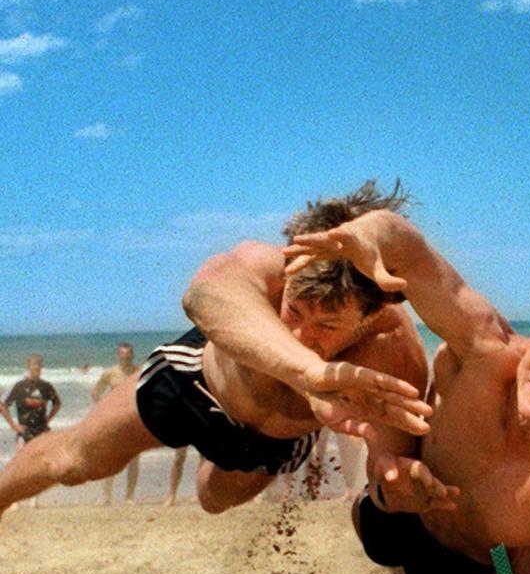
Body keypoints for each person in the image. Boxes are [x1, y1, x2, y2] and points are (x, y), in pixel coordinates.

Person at [0, 182, 435, 520]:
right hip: (196, 384)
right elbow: (204, 292)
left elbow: (388, 458)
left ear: (371, 313)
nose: (303, 334)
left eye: (326, 326)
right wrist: (313, 374)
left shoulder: (392, 351)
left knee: (212, 501)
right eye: (294, 311)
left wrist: (390, 473)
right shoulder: (268, 265)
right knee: (75, 462)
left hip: (271, 444)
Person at [284, 209, 530, 574]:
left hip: (474, 566)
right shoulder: (485, 352)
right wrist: (366, 233)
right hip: (396, 521)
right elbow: (411, 251)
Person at [0, 354, 61, 509]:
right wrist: (14, 425)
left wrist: (48, 418)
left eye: (39, 366)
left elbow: (57, 404)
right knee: (19, 465)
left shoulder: (46, 386)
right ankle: (14, 500)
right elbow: (3, 405)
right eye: (34, 366)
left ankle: (34, 499)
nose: (37, 369)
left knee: (38, 466)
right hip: (24, 430)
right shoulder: (20, 386)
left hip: (41, 430)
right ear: (28, 366)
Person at [91, 343, 141, 505]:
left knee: (133, 460)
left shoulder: (138, 372)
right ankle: (106, 497)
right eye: (123, 354)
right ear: (118, 355)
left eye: (128, 354)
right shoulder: (110, 373)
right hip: (113, 422)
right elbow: (95, 392)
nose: (126, 357)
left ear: (132, 355)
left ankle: (129, 497)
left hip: (133, 421)